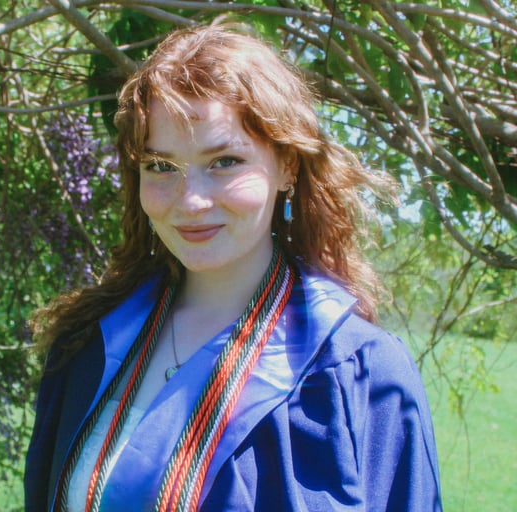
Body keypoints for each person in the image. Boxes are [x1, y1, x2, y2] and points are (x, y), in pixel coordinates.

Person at [24, 22, 442, 512]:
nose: (191, 201)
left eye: (224, 161)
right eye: (161, 166)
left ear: (287, 164)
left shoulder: (359, 374)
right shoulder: (88, 347)